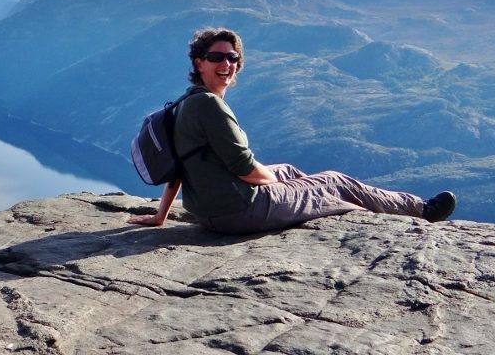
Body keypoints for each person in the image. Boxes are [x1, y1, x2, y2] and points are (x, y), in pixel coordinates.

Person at [127, 27, 456, 234]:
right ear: (199, 62)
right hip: (237, 212)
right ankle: (421, 210)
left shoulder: (188, 103)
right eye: (216, 57)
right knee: (334, 181)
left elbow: (179, 166)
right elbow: (245, 169)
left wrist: (161, 216)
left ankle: (325, 197)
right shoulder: (210, 106)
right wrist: (287, 187)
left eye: (232, 57)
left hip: (208, 210)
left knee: (287, 169)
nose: (226, 64)